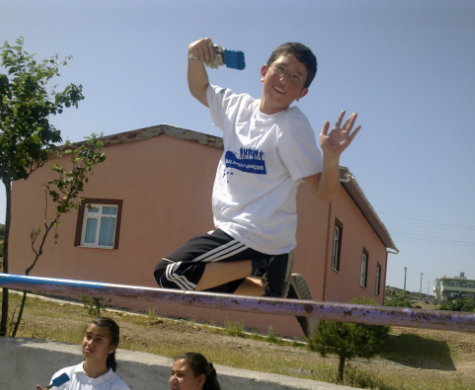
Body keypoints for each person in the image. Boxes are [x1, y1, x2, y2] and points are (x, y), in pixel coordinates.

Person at [154, 39, 361, 338]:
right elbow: (200, 89)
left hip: (258, 234)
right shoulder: (237, 107)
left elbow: (325, 193)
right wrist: (193, 55)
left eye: (295, 78)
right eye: (280, 70)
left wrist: (331, 158)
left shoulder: (291, 126)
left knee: (170, 273)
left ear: (302, 93)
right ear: (264, 71)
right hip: (231, 228)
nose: (284, 80)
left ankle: (266, 264)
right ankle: (273, 286)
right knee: (208, 283)